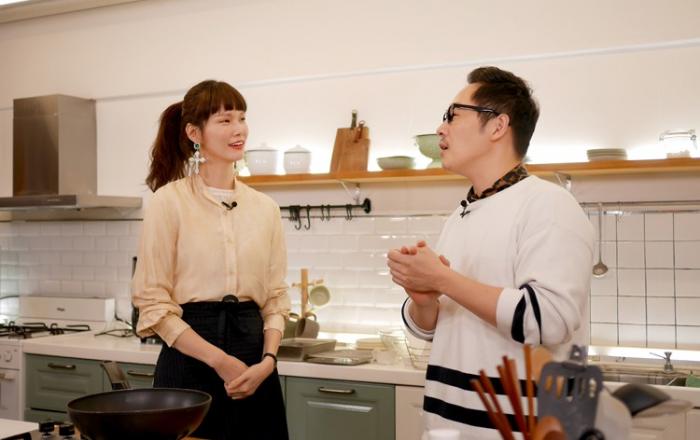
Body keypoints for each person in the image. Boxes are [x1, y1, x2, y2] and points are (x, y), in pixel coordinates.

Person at [387, 66, 594, 439]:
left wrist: (443, 279)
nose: (440, 129)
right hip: (446, 425)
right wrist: (424, 300)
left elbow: (548, 319)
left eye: (453, 115)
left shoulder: (549, 205)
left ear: (498, 126)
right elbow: (432, 328)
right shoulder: (462, 213)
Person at [132, 80, 290, 440]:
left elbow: (276, 297)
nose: (239, 129)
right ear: (194, 133)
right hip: (189, 361)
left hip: (255, 366)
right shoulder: (168, 202)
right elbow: (153, 303)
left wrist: (268, 362)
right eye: (224, 120)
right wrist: (220, 361)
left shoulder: (265, 208)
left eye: (242, 118)